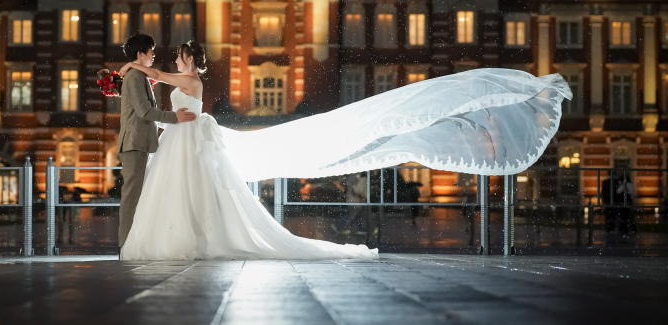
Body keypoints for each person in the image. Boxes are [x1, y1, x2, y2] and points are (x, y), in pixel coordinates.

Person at [116, 41, 571, 260]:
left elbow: (159, 82)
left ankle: (186, 238)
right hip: (185, 141)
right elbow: (152, 82)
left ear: (190, 62)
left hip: (188, 138)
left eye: (178, 58)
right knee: (191, 191)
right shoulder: (173, 79)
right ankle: (186, 236)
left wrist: (130, 68)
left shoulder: (188, 79)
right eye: (169, 58)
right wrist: (133, 72)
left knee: (194, 190)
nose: (173, 62)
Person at [116, 34, 197, 254]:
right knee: (132, 196)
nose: (154, 54)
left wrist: (170, 122)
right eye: (151, 51)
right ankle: (125, 246)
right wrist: (174, 118)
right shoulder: (134, 77)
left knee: (138, 195)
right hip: (134, 143)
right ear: (140, 54)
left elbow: (146, 113)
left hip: (140, 142)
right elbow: (144, 111)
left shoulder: (138, 75)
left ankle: (133, 244)